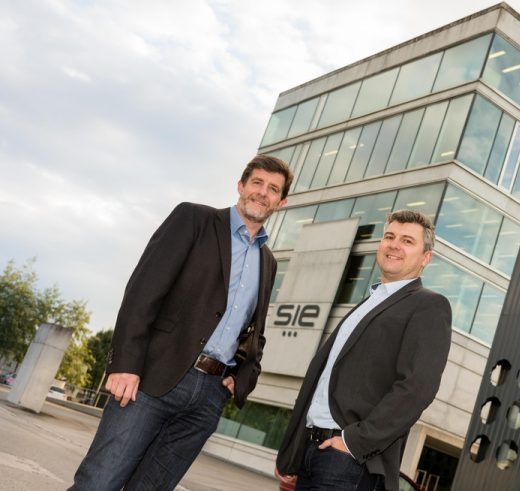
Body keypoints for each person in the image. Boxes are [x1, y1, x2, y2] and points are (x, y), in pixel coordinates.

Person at [70, 155, 292, 491]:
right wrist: (125, 364)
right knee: (99, 482)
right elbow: (143, 291)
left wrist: (242, 378)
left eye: (273, 189)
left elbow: (255, 332)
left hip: (208, 398)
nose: (263, 193)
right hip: (152, 379)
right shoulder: (194, 219)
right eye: (257, 183)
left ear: (281, 202)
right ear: (241, 185)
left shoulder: (268, 261)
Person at [275, 210, 452, 491]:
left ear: (425, 258)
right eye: (389, 237)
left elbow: (417, 387)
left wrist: (354, 442)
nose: (394, 245)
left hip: (348, 462)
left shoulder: (429, 305)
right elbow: (321, 382)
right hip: (313, 452)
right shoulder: (368, 303)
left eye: (407, 241)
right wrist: (293, 454)